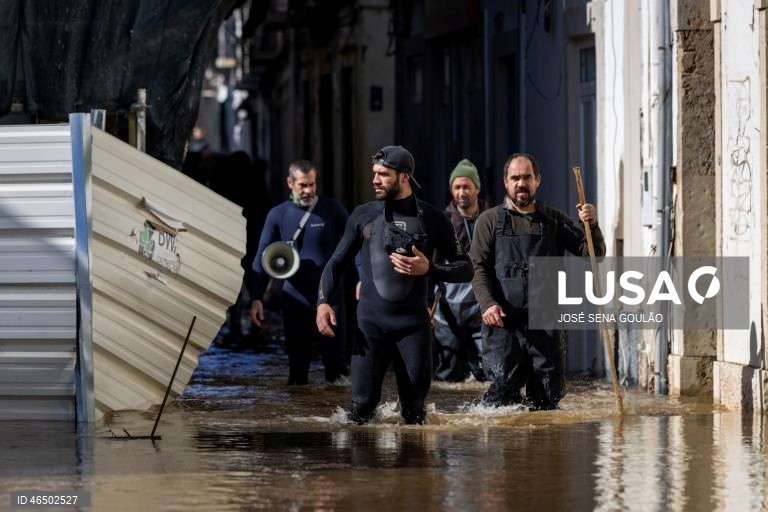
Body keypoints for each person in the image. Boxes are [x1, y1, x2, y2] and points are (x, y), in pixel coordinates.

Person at [316, 145, 473, 424]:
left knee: (414, 412)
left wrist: (430, 269)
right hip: (370, 325)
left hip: (413, 327)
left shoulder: (434, 219)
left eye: (383, 174)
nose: (375, 180)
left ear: (404, 177)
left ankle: (412, 467)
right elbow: (336, 263)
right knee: (361, 409)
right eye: (374, 173)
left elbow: (466, 269)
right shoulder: (363, 215)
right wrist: (323, 302)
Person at [469, 153, 605, 410]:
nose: (521, 183)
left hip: (547, 323)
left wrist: (592, 225)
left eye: (527, 177)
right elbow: (478, 268)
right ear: (505, 182)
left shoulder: (554, 220)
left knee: (547, 400)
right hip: (503, 325)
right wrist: (487, 304)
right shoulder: (489, 221)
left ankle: (542, 449)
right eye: (515, 178)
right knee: (501, 399)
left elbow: (593, 255)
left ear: (537, 180)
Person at [250, 160, 349, 385]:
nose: (308, 191)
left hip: (331, 297)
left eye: (312, 185)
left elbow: (357, 245)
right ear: (290, 183)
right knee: (297, 372)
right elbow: (262, 256)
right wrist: (256, 297)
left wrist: (363, 280)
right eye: (303, 185)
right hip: (295, 298)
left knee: (338, 372)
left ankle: (343, 418)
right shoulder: (277, 215)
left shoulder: (332, 210)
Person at [432, 159, 489, 382]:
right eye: (457, 187)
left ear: (477, 187)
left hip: (482, 309)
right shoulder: (442, 222)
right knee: (449, 376)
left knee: (488, 373)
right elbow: (431, 266)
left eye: (466, 186)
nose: (461, 192)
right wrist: (428, 305)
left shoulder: (492, 218)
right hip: (448, 312)